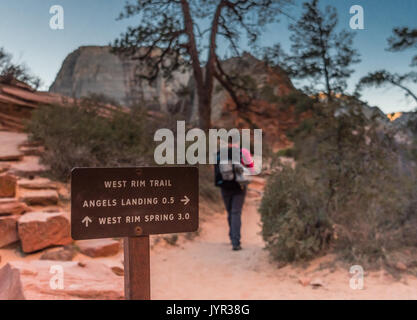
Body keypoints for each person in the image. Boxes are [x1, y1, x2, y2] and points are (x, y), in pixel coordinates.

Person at [214, 143, 254, 251]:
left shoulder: (220, 153)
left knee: (230, 211)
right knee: (236, 212)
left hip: (224, 186)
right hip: (239, 187)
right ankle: (235, 242)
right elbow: (252, 169)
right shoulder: (243, 152)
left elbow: (216, 170)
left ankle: (232, 236)